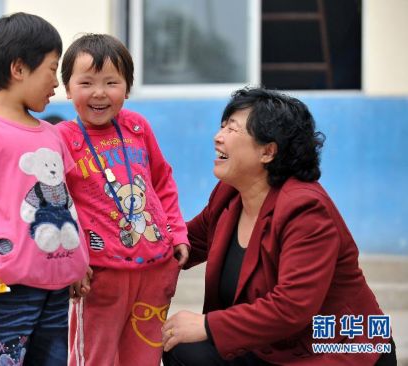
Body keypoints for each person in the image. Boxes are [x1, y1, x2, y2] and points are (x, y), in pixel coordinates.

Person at [161, 87, 397, 365]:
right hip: (271, 348)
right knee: (181, 348)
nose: (218, 137)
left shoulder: (305, 209)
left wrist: (207, 326)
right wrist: (118, 252)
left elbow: (292, 306)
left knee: (193, 340)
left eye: (233, 130)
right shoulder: (228, 194)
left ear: (268, 151)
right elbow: (184, 243)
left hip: (334, 351)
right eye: (222, 126)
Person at [0, 13, 90, 366]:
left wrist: (77, 263)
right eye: (51, 69)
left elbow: (67, 201)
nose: (55, 84)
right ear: (18, 69)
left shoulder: (51, 134)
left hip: (57, 287)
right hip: (7, 288)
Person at [56, 34, 190, 366]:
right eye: (86, 82)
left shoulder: (137, 127)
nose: (99, 93)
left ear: (127, 89)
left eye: (111, 82)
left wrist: (177, 233)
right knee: (95, 358)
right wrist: (71, 261)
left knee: (144, 356)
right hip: (101, 277)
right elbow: (56, 205)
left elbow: (162, 181)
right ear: (68, 88)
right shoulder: (62, 139)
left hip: (155, 269)